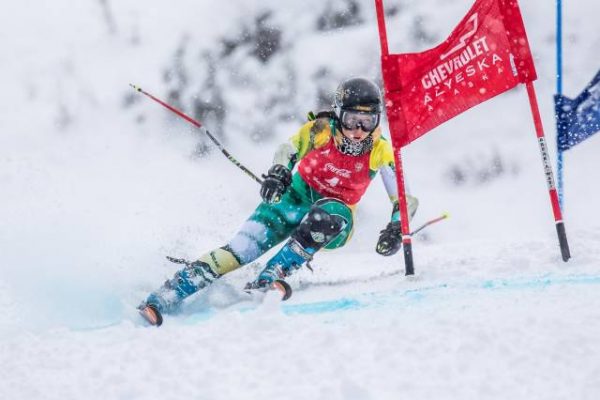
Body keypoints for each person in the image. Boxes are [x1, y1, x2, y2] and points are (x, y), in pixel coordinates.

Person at [138, 77, 419, 326]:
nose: (359, 130)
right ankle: (168, 293)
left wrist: (397, 226)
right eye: (351, 120)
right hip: (291, 200)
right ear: (337, 115)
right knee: (239, 250)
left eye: (368, 121)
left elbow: (406, 197)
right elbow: (288, 149)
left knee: (327, 214)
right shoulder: (321, 130)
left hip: (336, 218)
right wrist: (279, 172)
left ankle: (274, 273)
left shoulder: (380, 150)